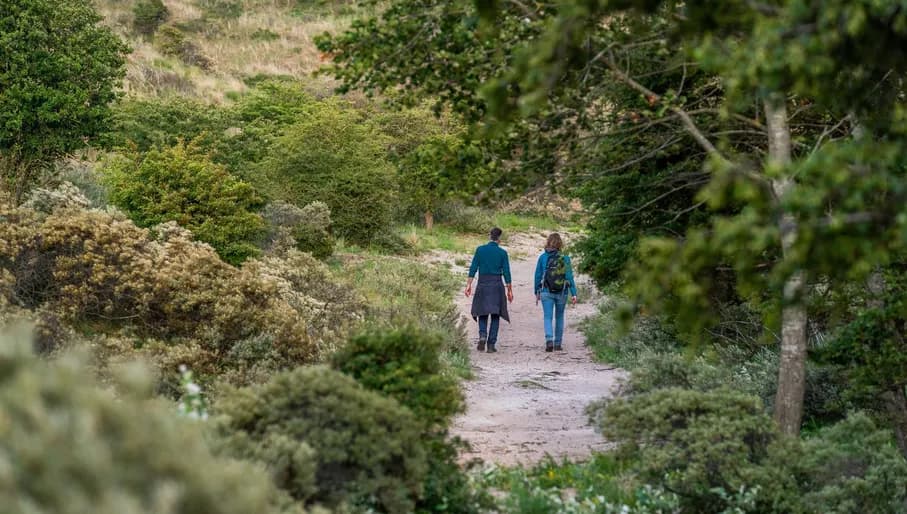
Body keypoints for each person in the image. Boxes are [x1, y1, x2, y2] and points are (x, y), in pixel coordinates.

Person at [464, 227, 513, 353]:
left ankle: (482, 335)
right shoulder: (502, 253)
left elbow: (473, 267)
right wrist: (509, 290)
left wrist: (468, 285)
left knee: (482, 312)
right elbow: (507, 272)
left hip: (483, 283)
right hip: (497, 284)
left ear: (489, 236)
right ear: (499, 239)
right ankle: (491, 344)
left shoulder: (480, 250)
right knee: (496, 314)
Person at [534, 233, 578, 352]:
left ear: (548, 242)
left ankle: (549, 340)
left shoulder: (543, 257)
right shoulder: (565, 258)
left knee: (547, 317)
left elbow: (537, 276)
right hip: (562, 291)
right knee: (559, 317)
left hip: (546, 291)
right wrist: (574, 293)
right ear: (560, 243)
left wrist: (536, 292)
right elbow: (569, 277)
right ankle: (557, 343)